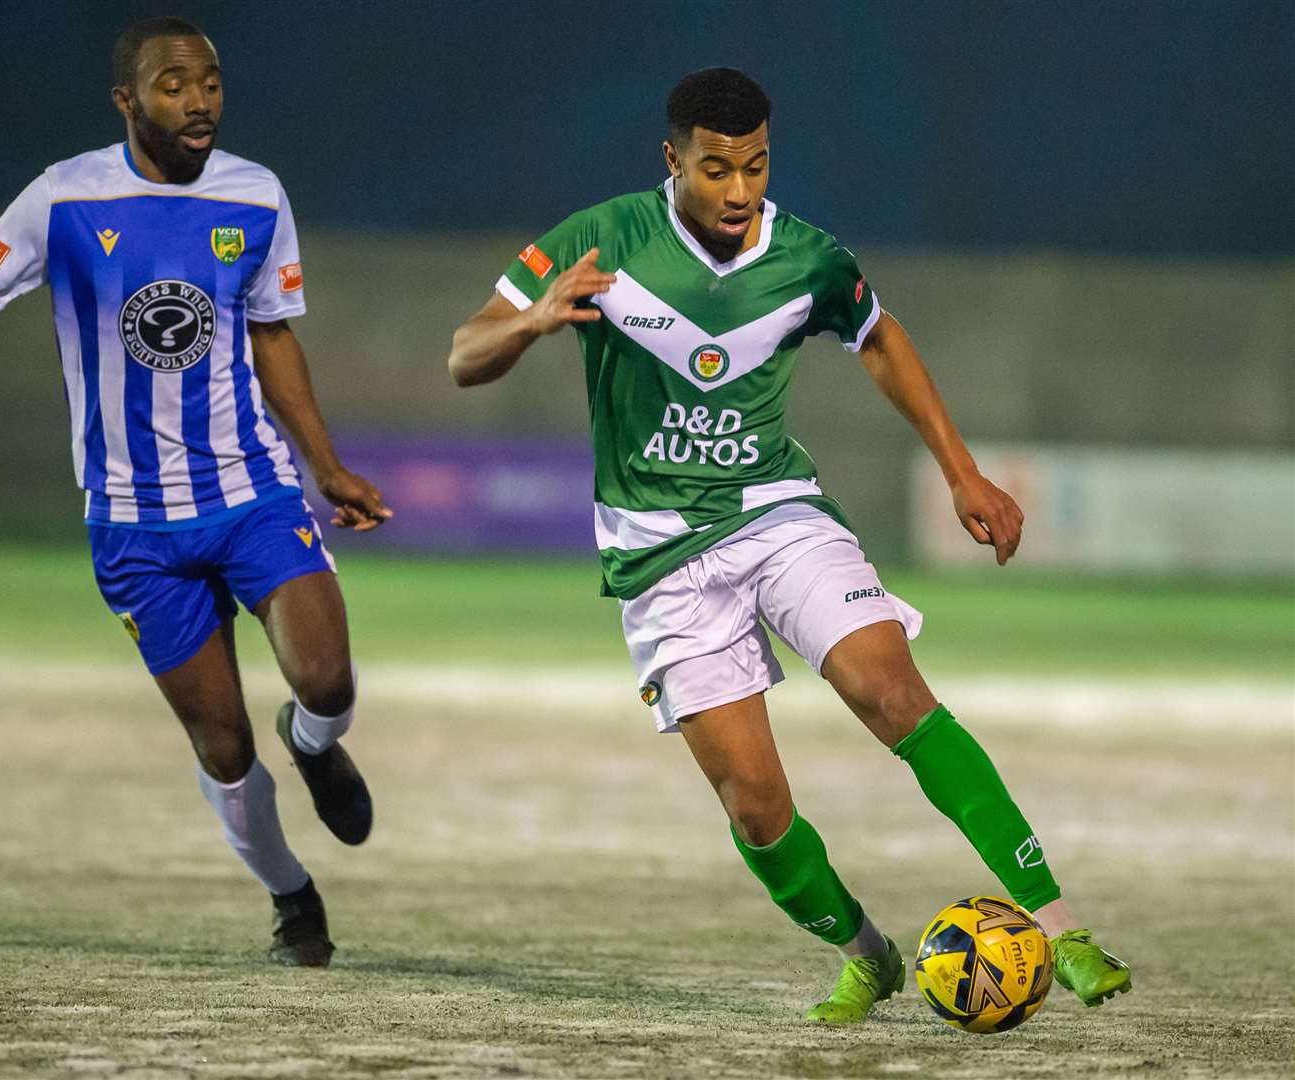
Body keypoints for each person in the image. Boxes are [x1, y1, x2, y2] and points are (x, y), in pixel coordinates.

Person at [446, 67, 1131, 1022]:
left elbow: (880, 338)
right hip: (658, 556)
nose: (738, 192)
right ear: (671, 158)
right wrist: (530, 320)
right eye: (716, 169)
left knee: (888, 688)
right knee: (756, 807)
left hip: (775, 515)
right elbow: (463, 356)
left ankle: (1061, 927)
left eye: (756, 167)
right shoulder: (598, 240)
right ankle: (865, 952)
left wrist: (961, 471)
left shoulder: (807, 257)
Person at [0, 16, 390, 967]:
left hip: (250, 494)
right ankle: (292, 900)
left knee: (329, 681)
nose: (198, 103)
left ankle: (312, 743)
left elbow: (271, 336)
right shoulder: (62, 197)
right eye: (174, 86)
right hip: (134, 528)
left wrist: (326, 466)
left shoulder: (255, 195)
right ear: (127, 100)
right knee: (222, 751)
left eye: (211, 84)